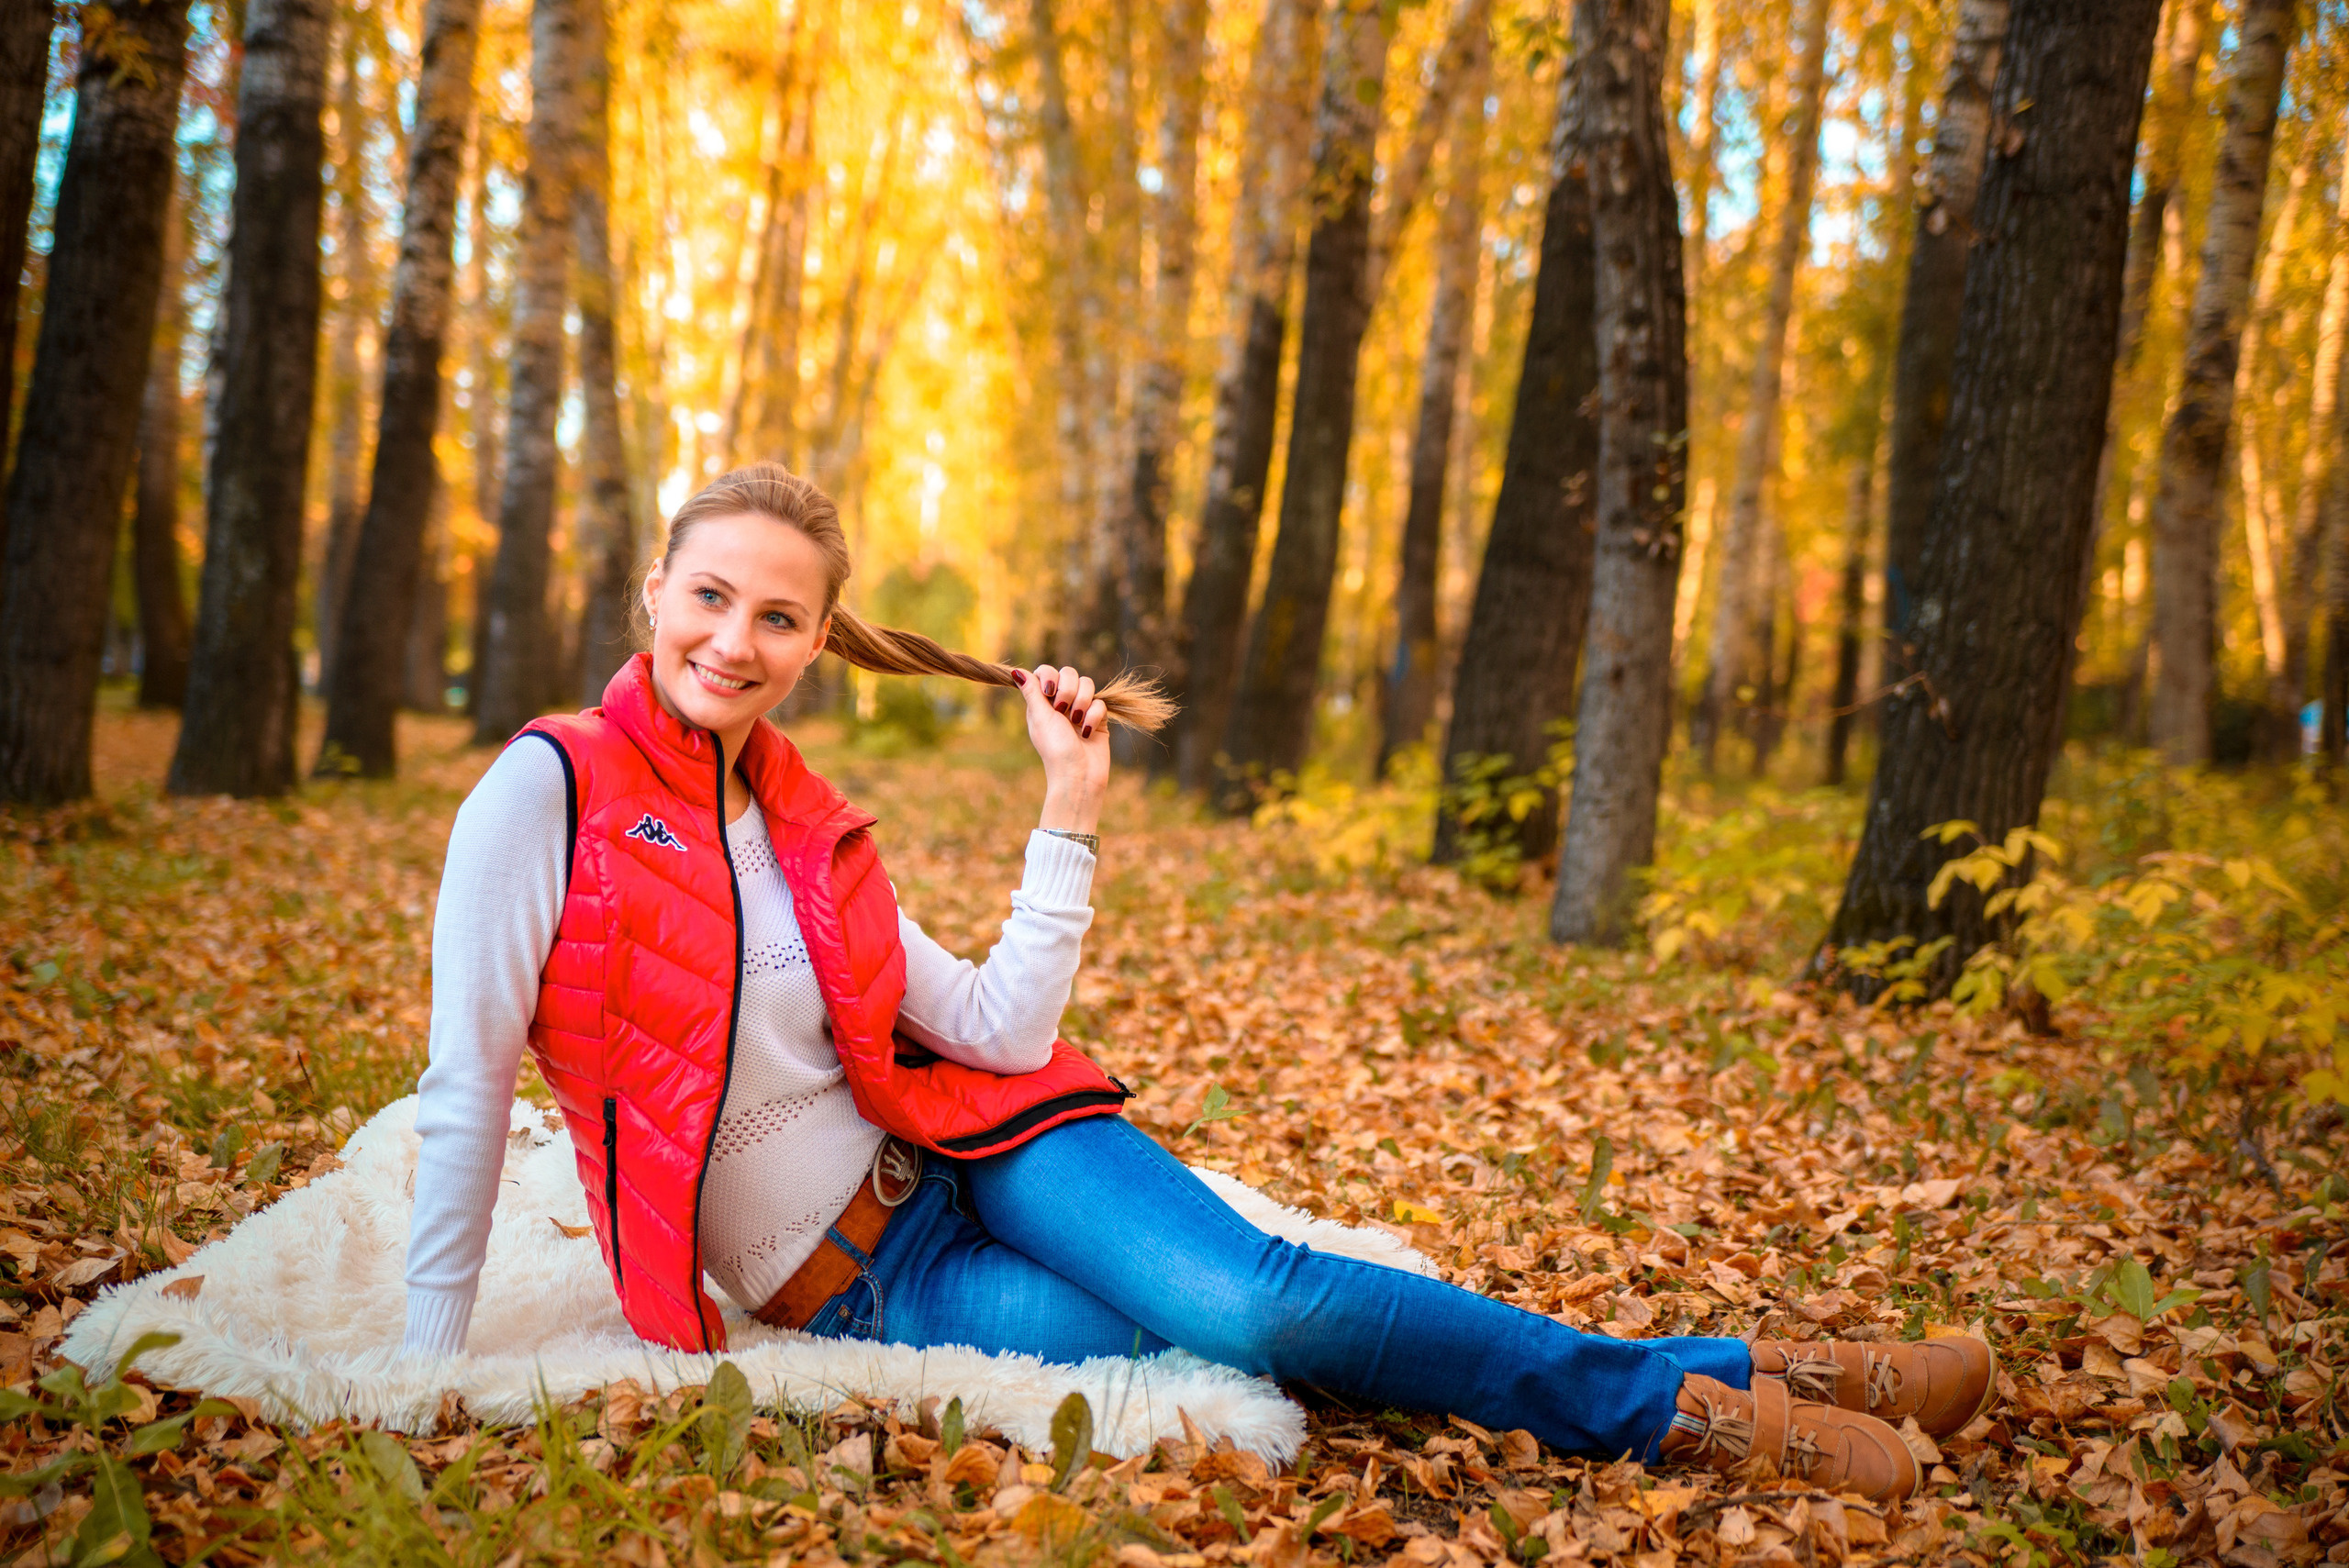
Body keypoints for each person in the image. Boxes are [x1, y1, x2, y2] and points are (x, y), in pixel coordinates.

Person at [403, 463, 1994, 1502]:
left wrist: (1068, 809)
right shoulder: (545, 793)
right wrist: (411, 1368)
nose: (733, 640)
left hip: (993, 1151)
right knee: (1239, 1352)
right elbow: (469, 1083)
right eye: (709, 597)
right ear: (650, 598)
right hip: (882, 1283)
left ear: (818, 640)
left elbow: (995, 1029)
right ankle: (1746, 1373)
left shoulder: (805, 817)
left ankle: (1692, 1409)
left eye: (776, 615)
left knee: (1257, 1295)